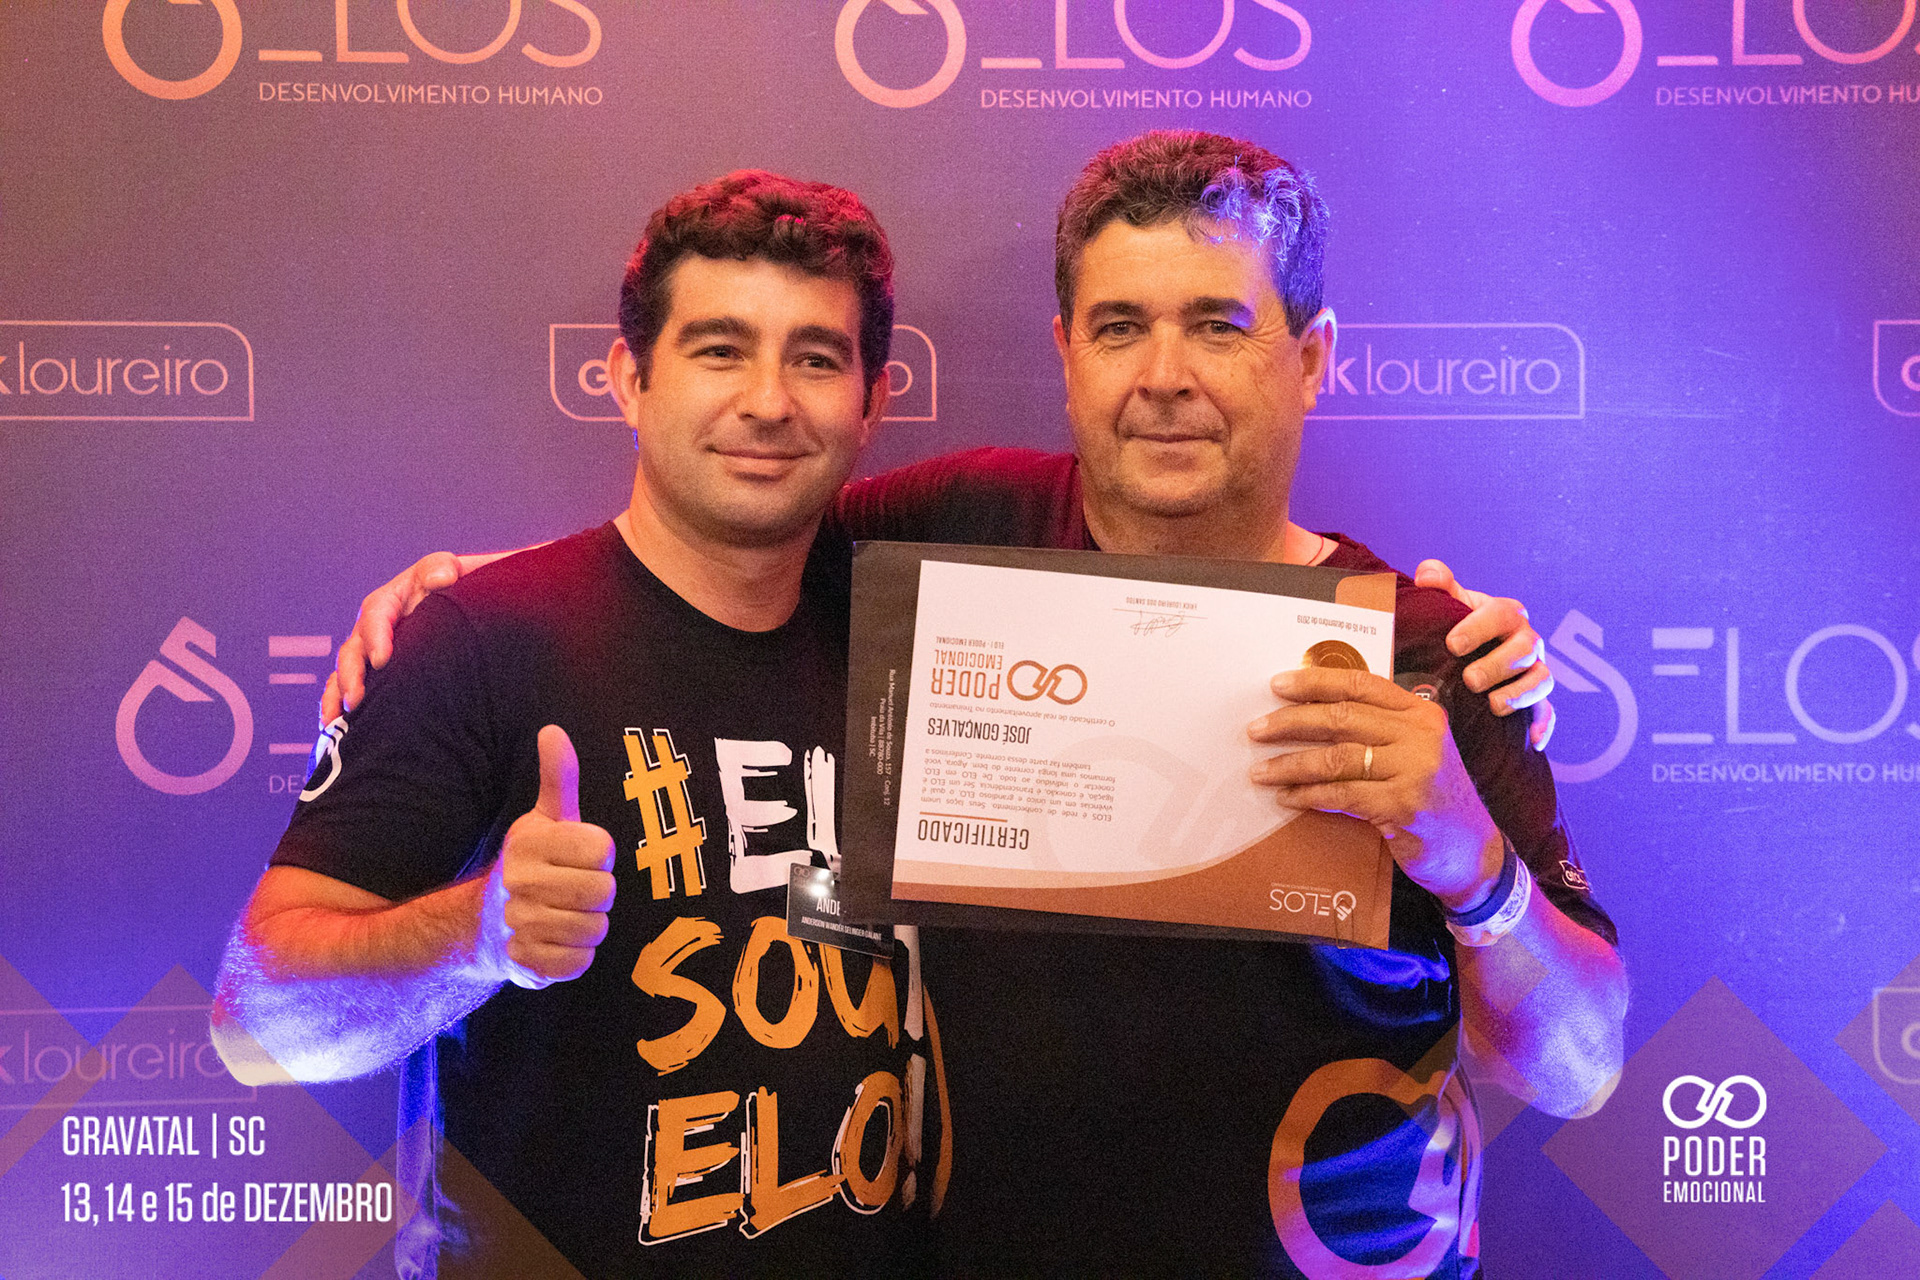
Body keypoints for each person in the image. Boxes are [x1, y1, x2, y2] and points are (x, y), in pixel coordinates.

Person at [319, 133, 1624, 1278]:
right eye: (1120, 325)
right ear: (1066, 352)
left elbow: (1575, 1067)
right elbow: (718, 530)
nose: (1165, 375)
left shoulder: (1426, 655)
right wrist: (473, 592)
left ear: (1312, 356)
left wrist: (1476, 873)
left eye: (1219, 325)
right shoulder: (950, 541)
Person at [211, 173, 943, 1278]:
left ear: (872, 400)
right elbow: (256, 1024)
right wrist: (477, 937)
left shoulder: (912, 647)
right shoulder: (481, 643)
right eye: (719, 349)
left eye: (815, 358)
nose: (768, 400)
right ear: (629, 381)